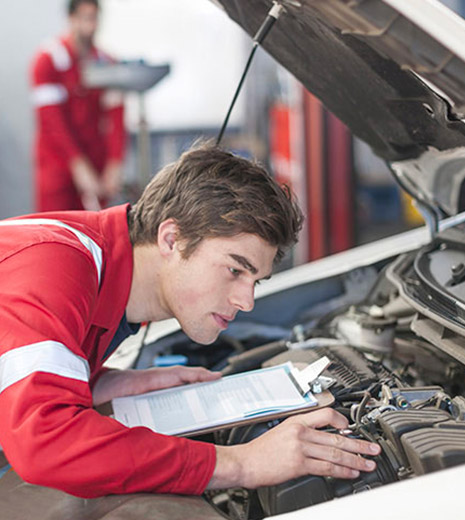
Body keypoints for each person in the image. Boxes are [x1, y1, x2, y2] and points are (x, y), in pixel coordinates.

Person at [0, 144, 381, 498]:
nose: (246, 301)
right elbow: (45, 441)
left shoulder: (99, 272)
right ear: (171, 239)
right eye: (234, 270)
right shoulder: (54, 266)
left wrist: (102, 383)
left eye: (256, 281)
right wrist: (240, 464)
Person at [30, 0, 125, 212]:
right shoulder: (48, 61)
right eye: (85, 18)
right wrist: (79, 167)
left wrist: (114, 163)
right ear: (71, 19)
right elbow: (52, 123)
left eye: (94, 19)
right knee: (56, 230)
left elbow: (116, 118)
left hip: (96, 162)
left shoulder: (107, 64)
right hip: (57, 166)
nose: (90, 27)